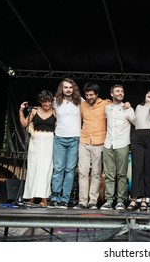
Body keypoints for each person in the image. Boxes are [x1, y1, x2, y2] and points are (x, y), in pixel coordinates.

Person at [73, 82, 111, 210]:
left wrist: (126, 105)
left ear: (97, 94)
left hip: (99, 141)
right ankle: (82, 201)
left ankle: (93, 201)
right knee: (83, 172)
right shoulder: (82, 105)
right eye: (87, 95)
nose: (89, 97)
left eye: (91, 95)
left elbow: (118, 107)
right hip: (84, 141)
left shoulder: (105, 104)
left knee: (96, 173)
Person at [19, 90, 56, 207]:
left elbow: (59, 128)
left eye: (49, 101)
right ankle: (31, 197)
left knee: (46, 170)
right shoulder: (34, 111)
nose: (47, 104)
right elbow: (24, 123)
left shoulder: (55, 112)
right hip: (36, 141)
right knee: (33, 168)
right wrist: (21, 111)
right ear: (40, 101)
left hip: (49, 141)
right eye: (45, 102)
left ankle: (44, 198)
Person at [49, 78, 82, 209]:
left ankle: (64, 199)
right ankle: (55, 197)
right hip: (59, 138)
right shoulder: (55, 102)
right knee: (58, 169)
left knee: (70, 170)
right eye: (65, 87)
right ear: (61, 89)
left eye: (70, 87)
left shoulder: (80, 101)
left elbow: (96, 104)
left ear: (74, 89)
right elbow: (45, 111)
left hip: (75, 138)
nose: (68, 90)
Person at [101, 84, 135, 211]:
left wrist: (130, 106)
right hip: (108, 143)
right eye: (117, 91)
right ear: (111, 94)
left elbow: (137, 123)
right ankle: (109, 200)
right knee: (109, 174)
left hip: (122, 144)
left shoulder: (128, 108)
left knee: (121, 174)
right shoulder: (107, 108)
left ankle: (120, 200)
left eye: (122, 91)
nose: (120, 93)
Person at [127, 90, 150, 211]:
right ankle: (134, 198)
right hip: (137, 137)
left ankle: (145, 200)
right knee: (137, 168)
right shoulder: (139, 107)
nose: (149, 93)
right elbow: (134, 121)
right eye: (148, 92)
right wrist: (128, 106)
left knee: (148, 169)